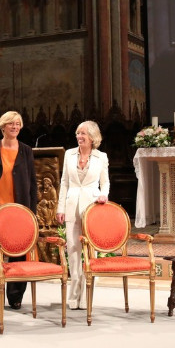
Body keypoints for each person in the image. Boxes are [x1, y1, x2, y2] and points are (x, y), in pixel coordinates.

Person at [0, 111, 37, 312]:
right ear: (3, 126)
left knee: (19, 253)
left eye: (18, 124)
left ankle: (15, 296)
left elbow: (32, 184)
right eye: (11, 124)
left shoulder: (26, 150)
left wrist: (32, 213)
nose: (15, 127)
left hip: (20, 210)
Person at [55, 121, 109, 310]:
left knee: (90, 251)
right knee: (73, 249)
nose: (79, 136)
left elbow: (105, 182)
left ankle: (87, 296)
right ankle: (74, 296)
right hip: (71, 206)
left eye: (83, 133)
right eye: (78, 133)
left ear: (92, 137)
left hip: (92, 208)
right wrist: (60, 208)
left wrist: (104, 195)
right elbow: (64, 182)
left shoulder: (101, 157)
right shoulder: (69, 154)